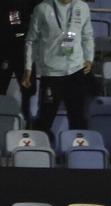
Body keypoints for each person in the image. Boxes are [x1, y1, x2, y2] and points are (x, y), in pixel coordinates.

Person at [22, 0, 92, 132]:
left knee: (78, 119)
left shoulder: (82, 7)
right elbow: (31, 41)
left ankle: (77, 151)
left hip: (76, 70)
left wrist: (89, 58)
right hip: (51, 73)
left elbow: (87, 35)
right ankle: (40, 149)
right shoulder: (42, 8)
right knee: (45, 119)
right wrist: (28, 67)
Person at [1, 0, 38, 124]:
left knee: (28, 88)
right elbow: (13, 17)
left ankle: (27, 121)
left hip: (23, 49)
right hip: (5, 47)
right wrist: (19, 32)